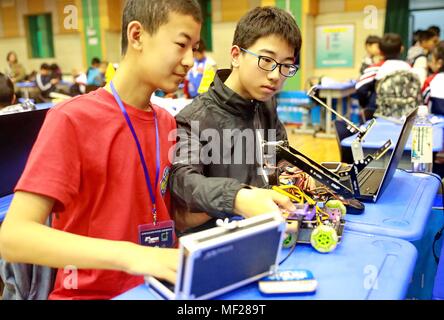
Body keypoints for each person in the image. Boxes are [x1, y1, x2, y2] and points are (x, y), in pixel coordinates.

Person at [0, 0, 202, 300]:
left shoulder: (166, 121)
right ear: (137, 36)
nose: (190, 61)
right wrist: (131, 255)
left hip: (158, 288)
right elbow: (13, 237)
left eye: (195, 48)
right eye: (181, 44)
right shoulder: (72, 119)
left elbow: (161, 212)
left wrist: (236, 201)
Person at [170, 6, 299, 233]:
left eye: (286, 65)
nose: (275, 75)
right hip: (218, 244)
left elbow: (280, 160)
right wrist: (238, 197)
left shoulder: (267, 105)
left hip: (269, 233)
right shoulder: (193, 119)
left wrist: (295, 177)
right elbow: (185, 183)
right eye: (267, 60)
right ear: (236, 55)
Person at [356, 33, 418, 118]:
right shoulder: (410, 69)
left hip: (380, 116)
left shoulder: (375, 69)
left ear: (380, 51)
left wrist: (366, 105)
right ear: (401, 49)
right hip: (407, 116)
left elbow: (360, 89)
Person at [423, 41, 444, 115]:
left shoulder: (431, 80)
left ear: (439, 63)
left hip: (436, 124)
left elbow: (423, 103)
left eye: (431, 59)